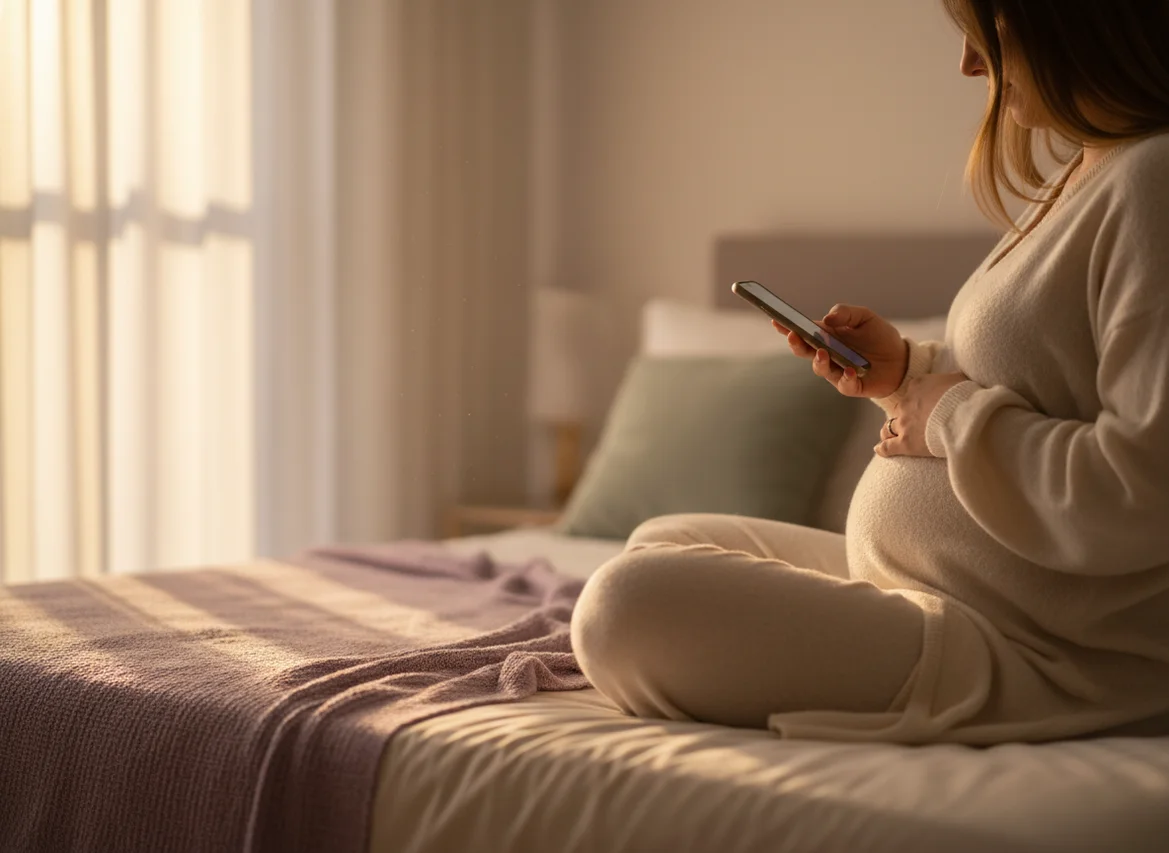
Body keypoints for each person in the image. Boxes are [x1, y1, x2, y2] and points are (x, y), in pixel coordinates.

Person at [569, 0, 1169, 744]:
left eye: (991, 38)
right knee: (663, 535)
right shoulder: (1089, 171)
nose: (969, 66)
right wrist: (907, 377)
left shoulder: (1154, 179)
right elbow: (1041, 386)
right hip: (947, 596)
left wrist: (944, 413)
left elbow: (1139, 495)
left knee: (628, 603)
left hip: (1038, 653)